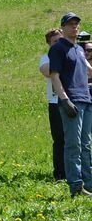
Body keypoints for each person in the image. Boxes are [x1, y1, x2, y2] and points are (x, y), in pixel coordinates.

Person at [49, 12, 92, 197]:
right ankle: (76, 186)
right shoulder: (58, 48)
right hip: (71, 100)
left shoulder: (80, 50)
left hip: (86, 99)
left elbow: (89, 72)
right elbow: (54, 76)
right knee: (73, 145)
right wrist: (64, 99)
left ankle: (89, 183)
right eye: (70, 24)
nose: (74, 26)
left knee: (86, 144)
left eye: (77, 24)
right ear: (63, 27)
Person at [40, 29, 67, 182]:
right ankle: (60, 174)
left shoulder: (71, 53)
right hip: (56, 103)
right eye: (55, 41)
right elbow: (46, 71)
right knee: (59, 139)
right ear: (49, 44)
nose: (59, 43)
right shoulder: (46, 57)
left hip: (76, 99)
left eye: (60, 40)